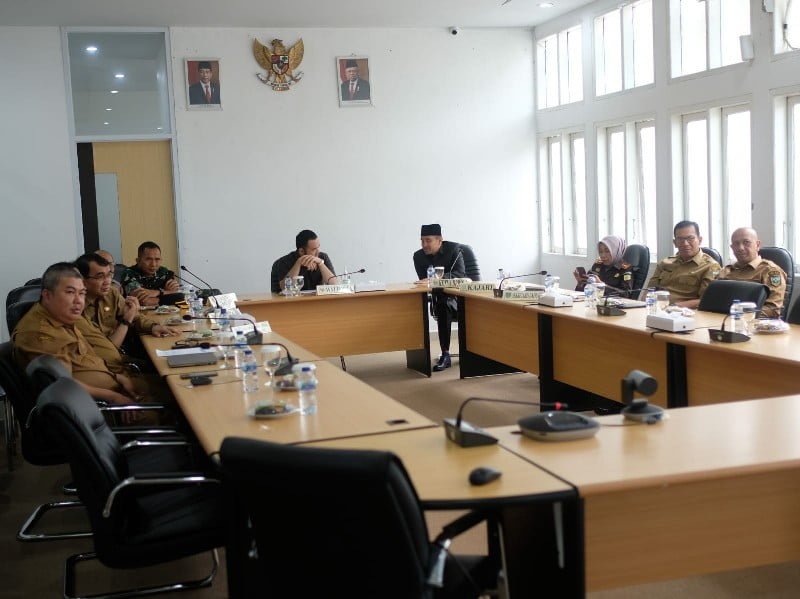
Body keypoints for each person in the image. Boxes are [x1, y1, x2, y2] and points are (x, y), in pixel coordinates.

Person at [12, 263, 145, 406]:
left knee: (158, 384)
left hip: (115, 387)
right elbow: (63, 385)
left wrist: (117, 378)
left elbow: (89, 360)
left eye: (81, 293)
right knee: (163, 397)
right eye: (70, 292)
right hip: (100, 406)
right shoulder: (40, 333)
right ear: (47, 295)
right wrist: (113, 396)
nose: (78, 301)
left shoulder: (64, 319)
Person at [75, 253, 181, 356]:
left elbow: (135, 317)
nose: (107, 281)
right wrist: (126, 321)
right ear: (82, 280)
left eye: (109, 275)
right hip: (105, 359)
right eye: (100, 277)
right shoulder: (76, 310)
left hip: (121, 353)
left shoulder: (111, 293)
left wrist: (154, 327)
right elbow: (107, 352)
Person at [413, 224, 466, 372]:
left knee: (445, 303)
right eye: (422, 241)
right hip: (440, 298)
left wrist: (437, 278)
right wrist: (432, 282)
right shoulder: (418, 256)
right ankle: (445, 354)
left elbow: (459, 274)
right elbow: (424, 281)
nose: (424, 245)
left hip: (459, 298)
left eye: (428, 240)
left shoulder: (454, 250)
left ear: (440, 240)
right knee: (442, 304)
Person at [645, 221, 720, 308]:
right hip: (656, 310)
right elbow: (649, 291)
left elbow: (706, 300)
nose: (685, 243)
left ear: (700, 240)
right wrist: (642, 307)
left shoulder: (711, 267)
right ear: (675, 243)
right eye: (680, 239)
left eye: (690, 238)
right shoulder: (665, 263)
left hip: (686, 313)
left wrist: (672, 307)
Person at [717, 227, 787, 318]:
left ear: (757, 245)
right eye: (736, 244)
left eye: (746, 242)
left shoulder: (770, 271)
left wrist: (741, 316)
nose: (741, 248)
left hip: (753, 323)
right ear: (732, 247)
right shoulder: (726, 271)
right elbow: (712, 300)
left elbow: (773, 309)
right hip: (719, 320)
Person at [270, 230, 336, 293]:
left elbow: (334, 285)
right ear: (301, 251)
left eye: (318, 247)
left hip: (317, 300)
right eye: (314, 249)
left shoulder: (322, 257)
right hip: (289, 300)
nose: (318, 251)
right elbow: (285, 288)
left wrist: (321, 264)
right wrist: (298, 263)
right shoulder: (284, 261)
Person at [121, 241, 180, 306]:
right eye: (148, 259)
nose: (153, 264)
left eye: (157, 259)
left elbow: (178, 296)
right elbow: (144, 302)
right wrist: (166, 293)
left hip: (164, 311)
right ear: (138, 260)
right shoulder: (129, 273)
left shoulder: (163, 272)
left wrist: (157, 293)